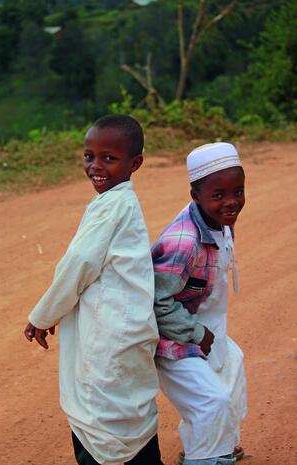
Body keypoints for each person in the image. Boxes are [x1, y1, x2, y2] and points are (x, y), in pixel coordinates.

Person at [24, 114, 164, 465]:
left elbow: (79, 264)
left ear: (136, 163)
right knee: (128, 411)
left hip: (109, 336)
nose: (96, 166)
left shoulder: (113, 205)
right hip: (124, 331)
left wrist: (43, 315)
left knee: (100, 418)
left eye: (109, 158)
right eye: (90, 156)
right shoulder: (117, 202)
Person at [152, 142, 247, 465]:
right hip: (174, 339)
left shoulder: (218, 217)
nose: (231, 202)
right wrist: (196, 332)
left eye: (238, 191)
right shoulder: (183, 242)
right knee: (212, 401)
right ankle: (203, 459)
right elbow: (156, 302)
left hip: (205, 328)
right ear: (196, 196)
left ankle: (219, 448)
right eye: (219, 195)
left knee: (232, 370)